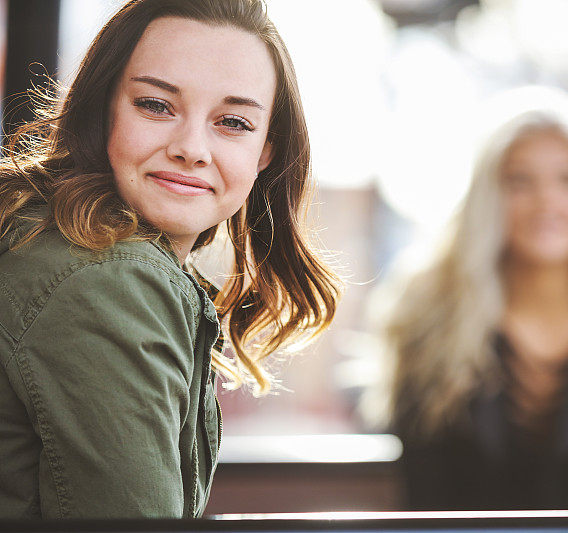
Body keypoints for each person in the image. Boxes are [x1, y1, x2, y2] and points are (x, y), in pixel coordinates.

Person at [0, 0, 339, 519]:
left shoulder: (62, 240)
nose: (192, 148)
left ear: (265, 151)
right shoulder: (106, 278)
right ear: (102, 108)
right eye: (156, 105)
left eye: (231, 122)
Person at [366, 86, 568, 510]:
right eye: (520, 181)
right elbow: (425, 498)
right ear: (488, 196)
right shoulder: (427, 310)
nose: (547, 202)